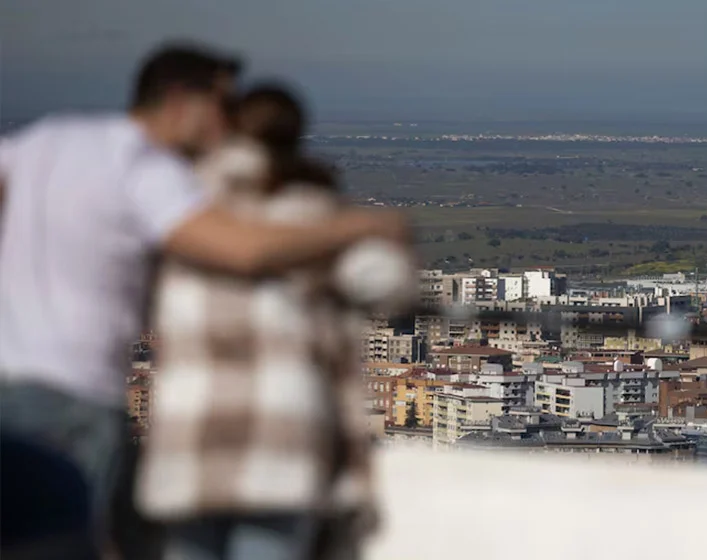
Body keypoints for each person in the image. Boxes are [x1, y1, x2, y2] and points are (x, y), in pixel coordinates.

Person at [0, 43, 408, 559]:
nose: (225, 120)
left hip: (9, 385)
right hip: (78, 390)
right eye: (220, 102)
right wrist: (362, 223)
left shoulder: (46, 138)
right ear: (179, 99)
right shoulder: (145, 168)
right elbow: (245, 250)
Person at [137, 84, 379, 560]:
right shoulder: (316, 216)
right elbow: (382, 281)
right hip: (282, 444)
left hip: (190, 442)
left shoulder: (178, 210)